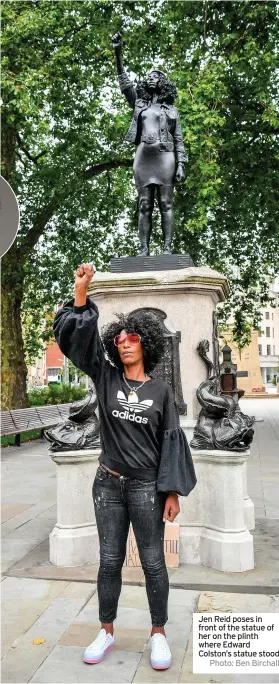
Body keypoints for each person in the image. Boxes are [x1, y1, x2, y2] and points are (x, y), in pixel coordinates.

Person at [53, 262, 196, 671]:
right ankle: (106, 630)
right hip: (108, 485)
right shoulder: (106, 377)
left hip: (147, 488)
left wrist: (171, 491)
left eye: (133, 337)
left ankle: (158, 635)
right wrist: (81, 293)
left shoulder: (161, 391)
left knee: (152, 561)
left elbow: (172, 440)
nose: (125, 342)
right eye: (119, 338)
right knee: (109, 561)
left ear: (145, 345)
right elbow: (80, 345)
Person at [112, 31, 187, 256]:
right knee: (144, 204)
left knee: (166, 204)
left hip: (166, 157)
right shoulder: (139, 104)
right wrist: (118, 53)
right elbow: (124, 83)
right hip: (143, 157)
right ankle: (143, 250)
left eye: (156, 75)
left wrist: (181, 164)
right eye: (150, 75)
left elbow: (179, 138)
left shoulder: (171, 110)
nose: (151, 77)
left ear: (163, 82)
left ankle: (166, 249)